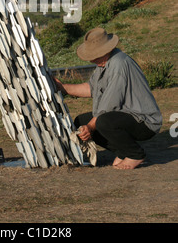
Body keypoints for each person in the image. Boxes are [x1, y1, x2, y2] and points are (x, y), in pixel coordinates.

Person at [54, 27, 162, 169]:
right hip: (125, 115)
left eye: (95, 55)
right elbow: (91, 88)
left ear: (106, 50)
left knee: (102, 122)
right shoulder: (104, 63)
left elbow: (109, 105)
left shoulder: (119, 64)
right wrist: (63, 87)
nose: (93, 59)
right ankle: (123, 152)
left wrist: (90, 127)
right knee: (82, 121)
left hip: (144, 121)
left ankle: (135, 154)